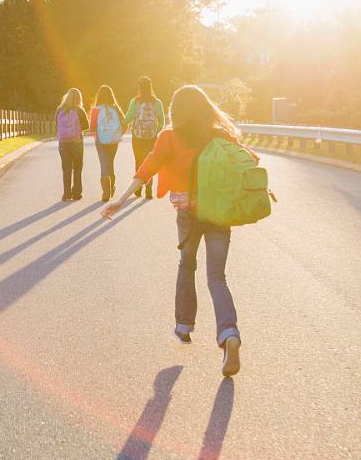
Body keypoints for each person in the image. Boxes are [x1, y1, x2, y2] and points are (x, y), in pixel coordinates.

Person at [102, 85, 251, 377]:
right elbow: (243, 170)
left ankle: (184, 326)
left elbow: (148, 168)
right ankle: (228, 333)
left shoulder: (169, 136)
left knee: (187, 265)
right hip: (219, 212)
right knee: (217, 277)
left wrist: (120, 200)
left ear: (176, 110)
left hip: (188, 214)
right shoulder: (221, 135)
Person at [123, 76, 166, 199]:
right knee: (150, 162)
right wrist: (156, 131)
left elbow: (128, 118)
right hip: (151, 137)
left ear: (139, 88)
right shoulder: (157, 102)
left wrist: (119, 124)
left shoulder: (135, 102)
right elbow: (162, 120)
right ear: (150, 87)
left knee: (138, 161)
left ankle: (137, 189)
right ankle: (148, 190)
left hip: (137, 136)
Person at [90, 85, 125, 201]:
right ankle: (112, 186)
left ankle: (106, 191)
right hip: (114, 140)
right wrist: (118, 134)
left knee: (104, 164)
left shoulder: (96, 110)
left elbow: (92, 127)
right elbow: (125, 124)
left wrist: (96, 135)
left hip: (101, 140)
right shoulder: (115, 109)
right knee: (110, 162)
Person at [55, 87, 89, 201]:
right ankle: (77, 193)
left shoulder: (60, 110)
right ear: (79, 98)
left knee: (66, 168)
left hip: (63, 143)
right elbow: (87, 126)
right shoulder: (79, 110)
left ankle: (66, 194)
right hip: (77, 142)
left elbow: (56, 124)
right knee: (77, 168)